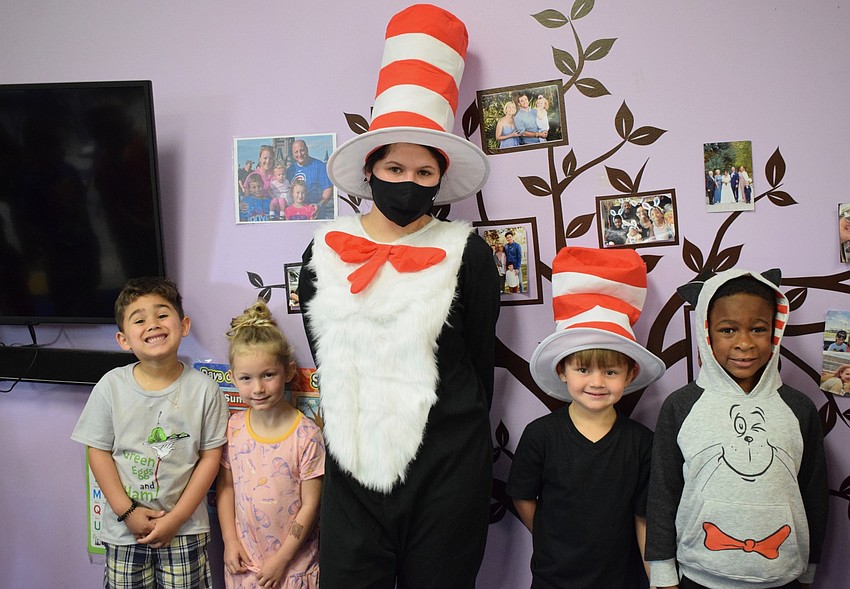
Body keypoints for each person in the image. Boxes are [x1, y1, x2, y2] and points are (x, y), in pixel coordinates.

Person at [296, 6, 499, 589]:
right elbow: (327, 355)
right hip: (353, 467)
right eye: (394, 167)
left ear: (440, 179)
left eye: (424, 172)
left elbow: (479, 360)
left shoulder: (470, 254)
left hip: (449, 465)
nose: (408, 182)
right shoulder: (324, 251)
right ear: (371, 169)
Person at [646, 269, 829, 589]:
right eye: (728, 329)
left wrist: (808, 569)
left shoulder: (799, 409)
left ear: (774, 331)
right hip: (699, 575)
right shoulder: (681, 406)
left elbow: (813, 494)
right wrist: (663, 574)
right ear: (707, 334)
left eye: (758, 329)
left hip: (781, 576)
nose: (744, 343)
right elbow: (663, 493)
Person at [507, 246, 666, 588]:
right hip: (554, 580)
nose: (596, 382)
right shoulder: (541, 436)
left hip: (620, 580)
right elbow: (522, 496)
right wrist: (553, 540)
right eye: (583, 369)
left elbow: (644, 518)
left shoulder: (641, 443)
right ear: (563, 371)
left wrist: (658, 580)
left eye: (610, 371)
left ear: (629, 374)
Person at [71, 277, 229, 589]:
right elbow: (97, 451)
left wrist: (175, 519)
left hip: (184, 530)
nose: (152, 324)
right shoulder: (110, 386)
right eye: (139, 319)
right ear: (123, 339)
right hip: (124, 531)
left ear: (183, 325)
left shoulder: (205, 390)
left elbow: (210, 459)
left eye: (162, 314)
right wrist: (126, 511)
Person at [217, 299, 325, 589]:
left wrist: (283, 559)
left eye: (268, 375)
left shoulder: (306, 435)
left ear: (288, 372)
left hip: (293, 568)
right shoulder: (234, 428)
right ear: (233, 379)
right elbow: (226, 488)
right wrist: (229, 541)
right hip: (245, 566)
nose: (258, 388)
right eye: (246, 378)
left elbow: (311, 503)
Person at [286, 139, 333, 220]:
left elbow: (328, 189)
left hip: (315, 212)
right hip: (295, 214)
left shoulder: (319, 166)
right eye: (296, 152)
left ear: (307, 149)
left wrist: (319, 204)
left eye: (302, 150)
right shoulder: (290, 169)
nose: (299, 154)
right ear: (292, 154)